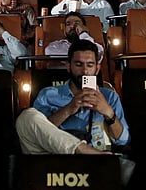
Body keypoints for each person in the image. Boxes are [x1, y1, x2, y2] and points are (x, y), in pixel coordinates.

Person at [15, 39, 133, 184]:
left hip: (97, 162)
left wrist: (108, 112)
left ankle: (94, 155)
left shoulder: (109, 96)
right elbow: (38, 132)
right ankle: (89, 153)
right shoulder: (49, 94)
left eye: (90, 65)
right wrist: (69, 109)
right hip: (56, 159)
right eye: (78, 64)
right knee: (26, 116)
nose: (85, 71)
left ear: (97, 68)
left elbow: (123, 140)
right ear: (69, 67)